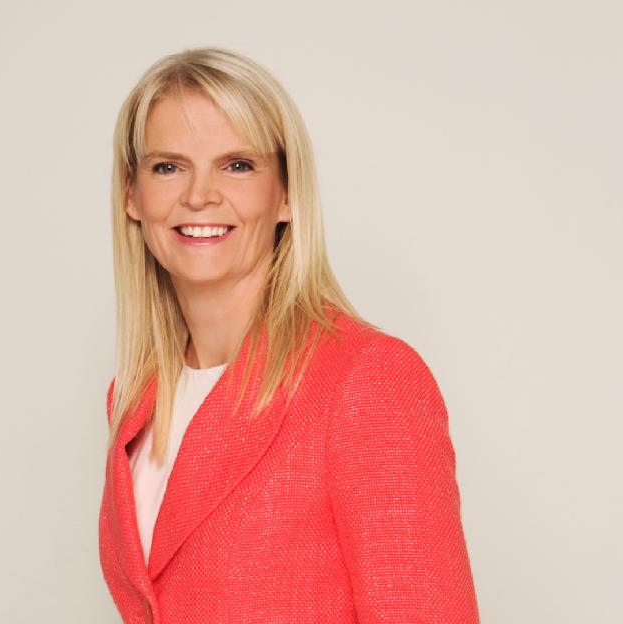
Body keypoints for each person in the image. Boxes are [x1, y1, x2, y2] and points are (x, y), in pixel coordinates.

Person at [98, 46, 480, 624]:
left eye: (237, 165)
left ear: (285, 195)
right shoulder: (135, 400)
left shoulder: (366, 381)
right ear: (132, 194)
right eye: (168, 167)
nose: (199, 195)